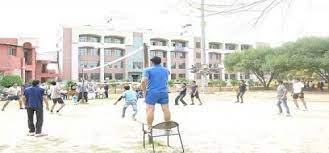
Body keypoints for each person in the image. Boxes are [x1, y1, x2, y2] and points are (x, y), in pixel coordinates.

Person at [141, 56, 171, 130]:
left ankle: (149, 127)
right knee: (166, 109)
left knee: (150, 109)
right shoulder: (166, 70)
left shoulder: (148, 70)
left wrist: (144, 91)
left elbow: (143, 81)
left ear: (152, 62)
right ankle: (168, 127)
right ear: (160, 62)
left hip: (152, 92)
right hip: (164, 92)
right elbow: (167, 74)